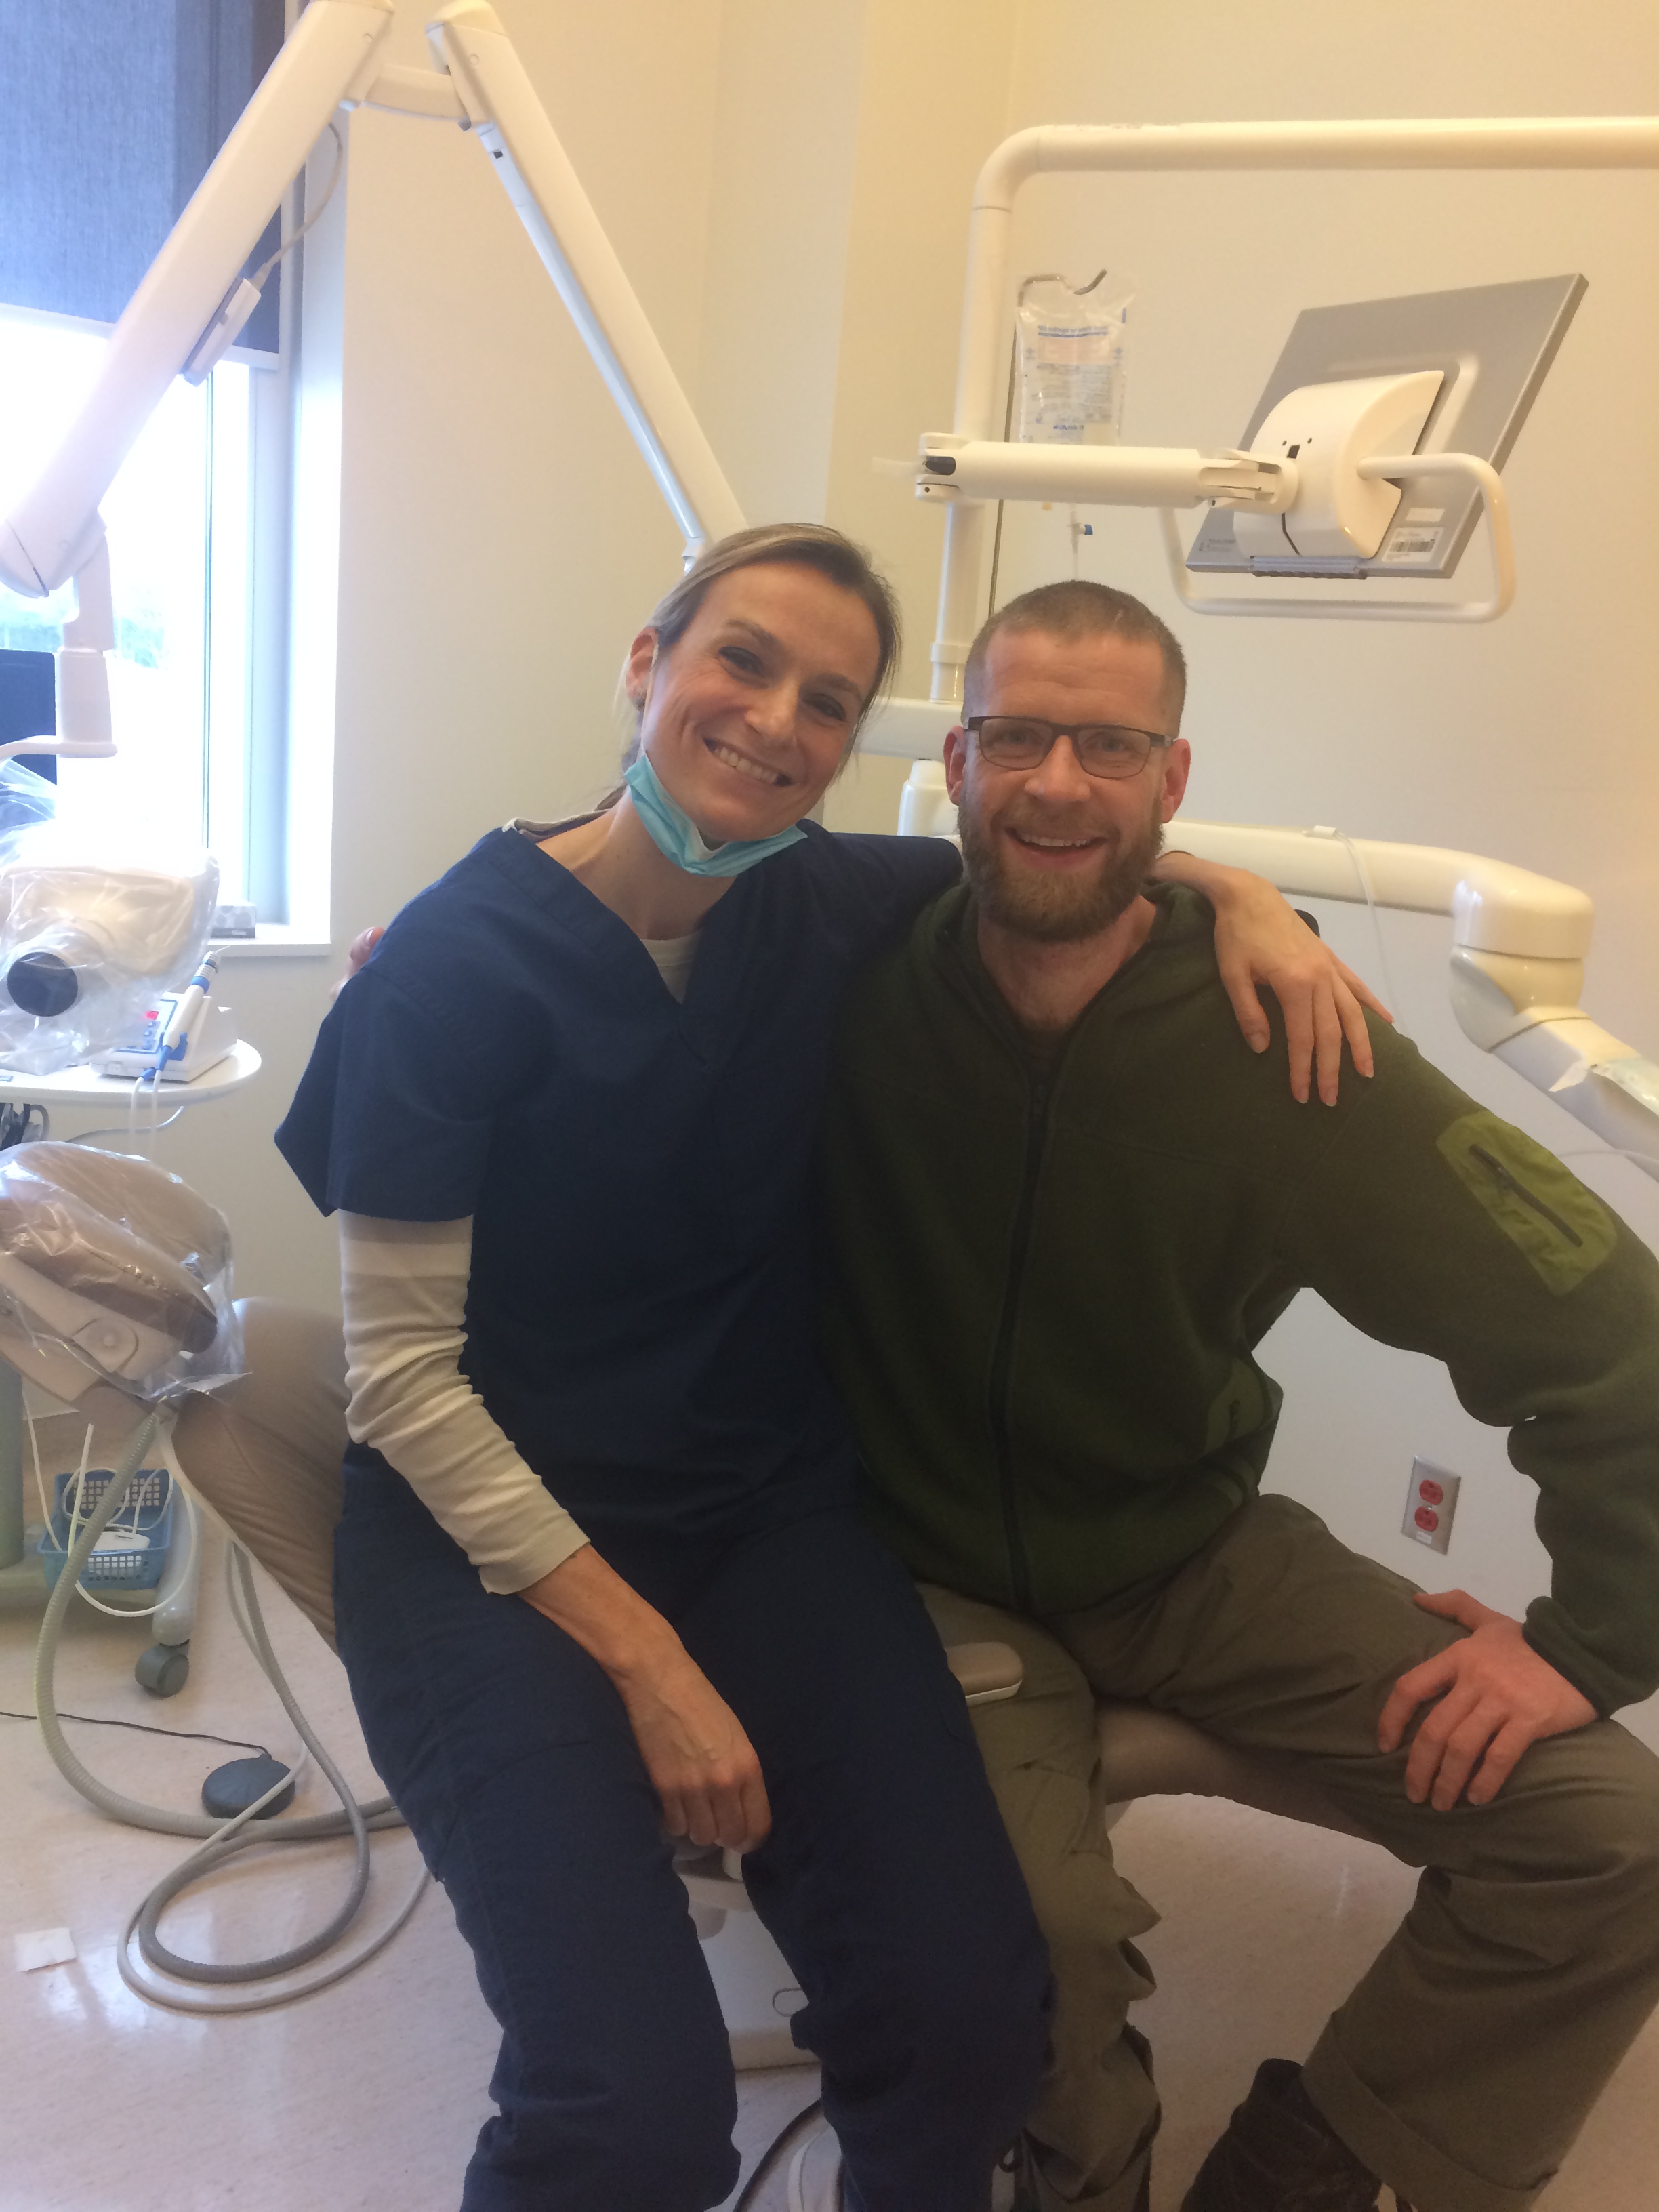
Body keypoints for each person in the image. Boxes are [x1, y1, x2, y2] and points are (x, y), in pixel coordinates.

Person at [278, 527, 1368, 2212]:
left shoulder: (820, 899)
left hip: (757, 1511)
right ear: (647, 665)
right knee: (625, 2113)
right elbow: (405, 1387)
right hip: (483, 1549)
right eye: (742, 660)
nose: (777, 719)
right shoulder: (449, 969)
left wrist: (1248, 900)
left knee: (972, 2030)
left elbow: (1053, 850)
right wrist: (649, 1664)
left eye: (829, 700)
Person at [816, 577, 1659, 2212]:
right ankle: (1087, 2181)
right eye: (1016, 737)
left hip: (1192, 1555)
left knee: (1610, 1834)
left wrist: (1589, 1642)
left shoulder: (1286, 1034)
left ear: (1175, 778)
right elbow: (645, 911)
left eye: (1111, 747)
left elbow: (1606, 1321)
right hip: (919, 1570)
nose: (1060, 782)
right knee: (1022, 1939)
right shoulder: (851, 984)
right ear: (958, 763)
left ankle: (1307, 2177)